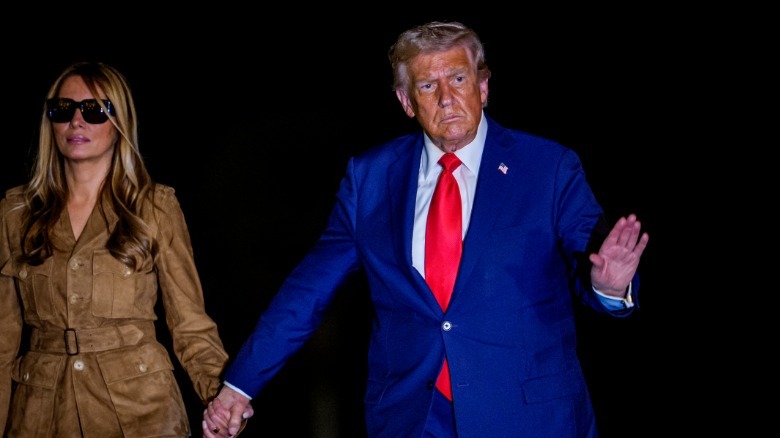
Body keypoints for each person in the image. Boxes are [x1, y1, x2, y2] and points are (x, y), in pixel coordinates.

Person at [203, 20, 649, 438]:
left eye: (458, 79)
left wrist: (609, 285)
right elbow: (307, 292)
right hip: (411, 417)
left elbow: (596, 266)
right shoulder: (370, 179)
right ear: (405, 102)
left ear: (484, 86)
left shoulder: (549, 168)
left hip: (528, 415)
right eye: (427, 85)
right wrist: (239, 387)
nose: (446, 97)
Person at [0, 61, 237, 437]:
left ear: (120, 122)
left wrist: (220, 401)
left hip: (142, 414)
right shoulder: (16, 213)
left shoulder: (155, 207)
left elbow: (190, 325)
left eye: (94, 110)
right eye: (63, 110)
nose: (76, 121)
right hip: (40, 417)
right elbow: (3, 339)